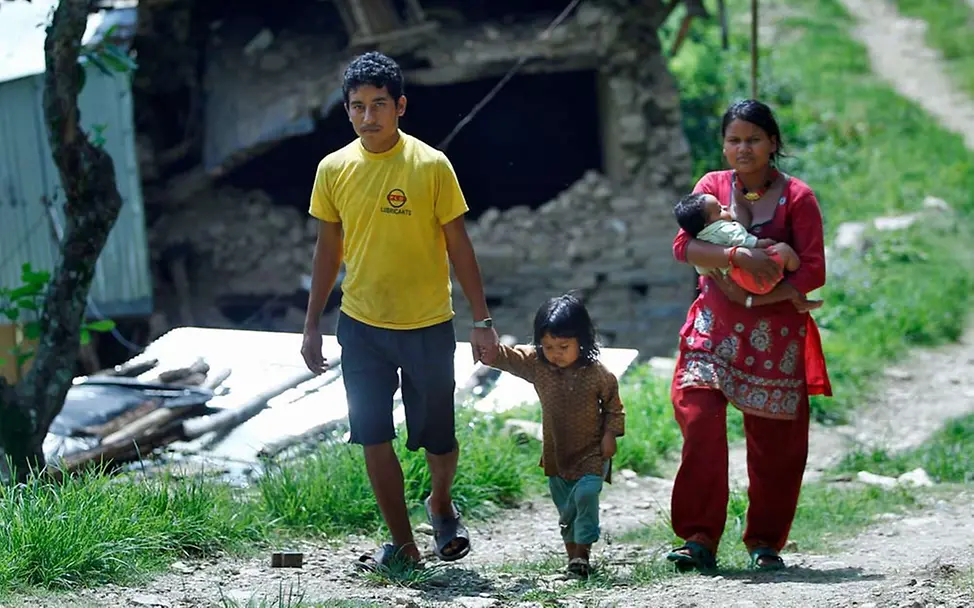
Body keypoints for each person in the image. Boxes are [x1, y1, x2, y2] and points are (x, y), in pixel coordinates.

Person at [300, 51, 500, 570]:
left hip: (428, 323)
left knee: (439, 438)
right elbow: (327, 251)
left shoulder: (431, 165)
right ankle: (404, 545)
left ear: (401, 106)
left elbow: (460, 246)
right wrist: (312, 326)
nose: (369, 117)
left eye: (380, 105)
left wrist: (481, 321)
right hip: (361, 325)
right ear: (347, 111)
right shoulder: (333, 169)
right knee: (372, 434)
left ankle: (439, 500)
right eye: (358, 107)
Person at [665, 99, 832, 572]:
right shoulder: (710, 187)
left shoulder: (799, 197)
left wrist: (763, 296)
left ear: (773, 143)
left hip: (775, 336)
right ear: (723, 144)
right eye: (735, 140)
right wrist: (741, 260)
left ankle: (764, 541)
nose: (744, 148)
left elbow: (814, 266)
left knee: (776, 446)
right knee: (698, 423)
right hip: (713, 330)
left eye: (754, 139)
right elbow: (684, 246)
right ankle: (698, 537)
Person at [479, 293, 625, 578]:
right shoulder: (538, 366)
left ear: (582, 342)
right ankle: (575, 561)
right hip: (557, 455)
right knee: (566, 511)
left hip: (592, 452)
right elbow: (510, 358)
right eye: (548, 346)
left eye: (563, 346)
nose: (556, 353)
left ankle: (584, 551)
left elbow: (614, 407)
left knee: (585, 495)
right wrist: (489, 349)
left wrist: (611, 434)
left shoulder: (598, 374)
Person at [673, 191, 803, 295]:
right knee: (783, 249)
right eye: (719, 210)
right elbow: (747, 242)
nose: (725, 207)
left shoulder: (698, 240)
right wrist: (764, 242)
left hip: (735, 285)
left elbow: (703, 270)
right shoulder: (725, 228)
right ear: (708, 223)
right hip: (755, 277)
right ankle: (794, 267)